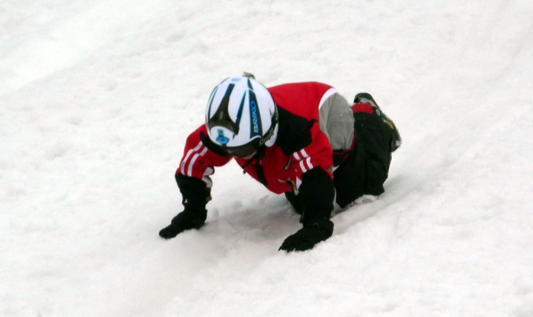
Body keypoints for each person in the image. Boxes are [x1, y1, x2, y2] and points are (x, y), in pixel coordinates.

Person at [159, 73, 401, 252]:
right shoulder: (228, 129)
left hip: (326, 111)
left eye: (242, 149)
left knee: (358, 190)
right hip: (283, 136)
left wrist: (316, 225)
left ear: (265, 132)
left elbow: (315, 173)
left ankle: (367, 114)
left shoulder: (300, 129)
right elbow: (194, 160)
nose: (237, 155)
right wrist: (193, 210)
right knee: (299, 201)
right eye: (229, 150)